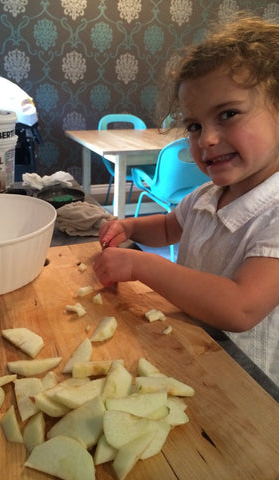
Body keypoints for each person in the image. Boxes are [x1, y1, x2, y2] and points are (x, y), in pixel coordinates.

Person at [93, 16, 279, 387]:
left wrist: (140, 265)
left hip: (247, 382)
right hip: (196, 351)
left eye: (228, 114)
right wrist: (129, 227)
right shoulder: (207, 195)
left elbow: (240, 306)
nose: (206, 139)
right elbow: (167, 227)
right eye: (194, 126)